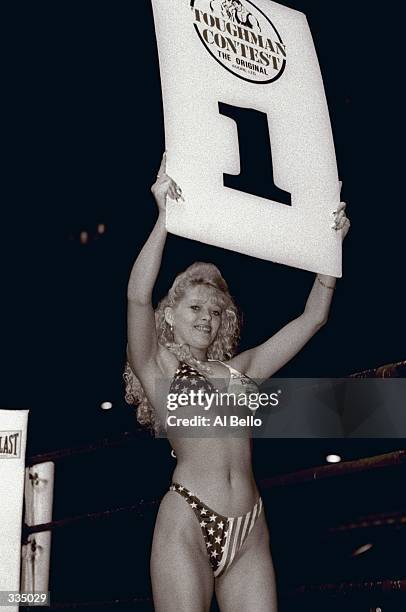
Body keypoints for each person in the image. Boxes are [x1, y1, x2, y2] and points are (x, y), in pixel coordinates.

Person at [124, 153, 350, 611]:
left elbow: (314, 317)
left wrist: (331, 246)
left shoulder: (241, 369)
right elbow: (135, 294)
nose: (207, 317)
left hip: (251, 525)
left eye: (215, 310)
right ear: (168, 315)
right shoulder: (158, 367)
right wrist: (164, 216)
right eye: (194, 308)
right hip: (188, 515)